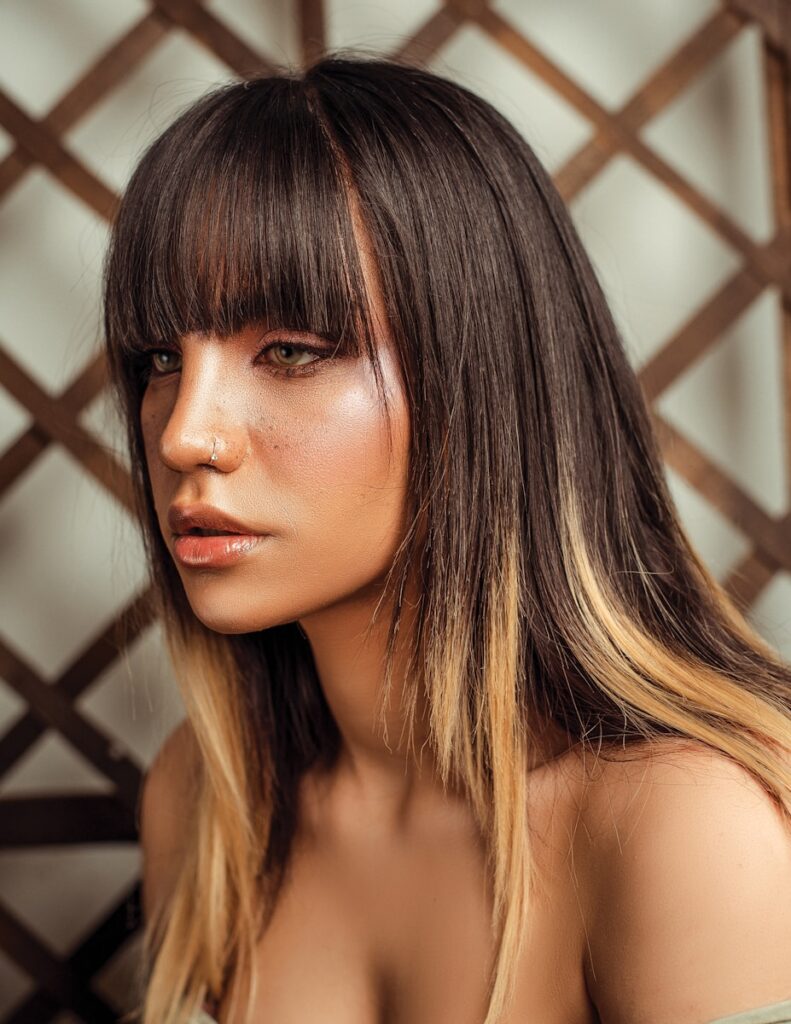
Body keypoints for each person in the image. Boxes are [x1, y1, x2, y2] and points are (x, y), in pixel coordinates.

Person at [101, 51, 791, 1024]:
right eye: (160, 357)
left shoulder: (681, 830)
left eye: (289, 351)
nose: (181, 433)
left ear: (480, 379)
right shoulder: (208, 800)